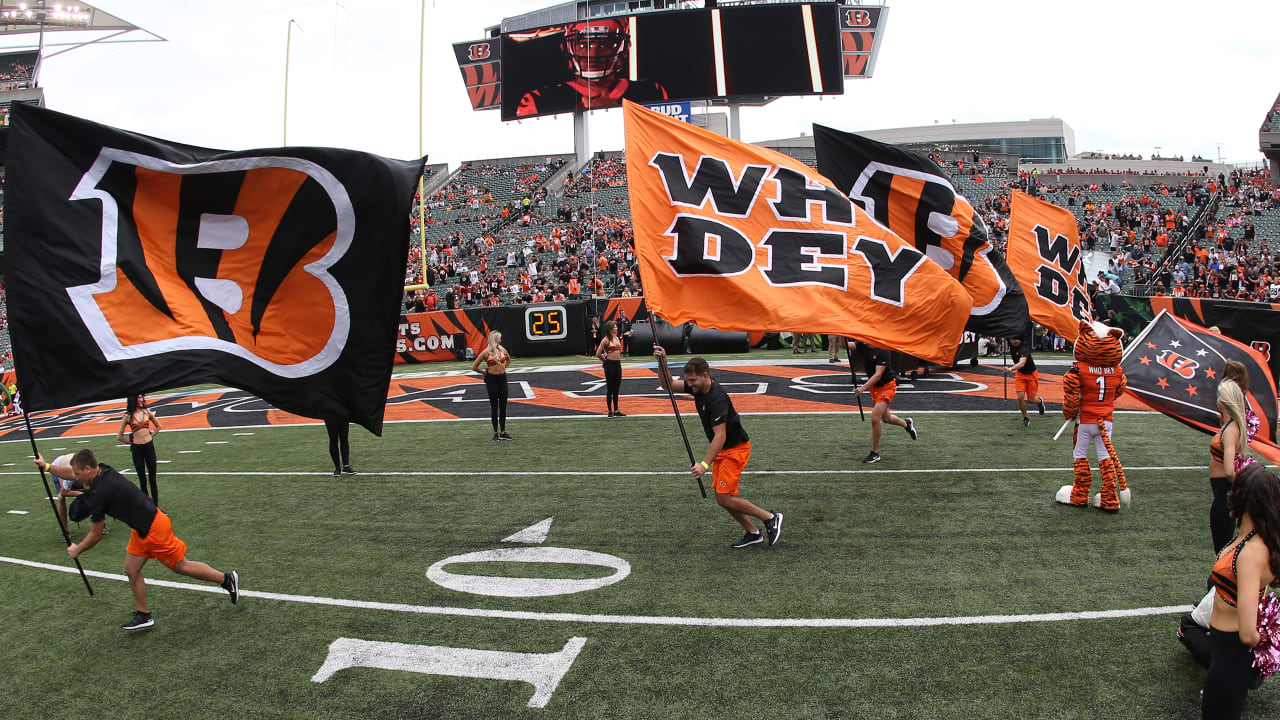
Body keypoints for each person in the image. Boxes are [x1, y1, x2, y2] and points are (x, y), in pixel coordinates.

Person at [34, 449, 239, 631]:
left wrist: (78, 550)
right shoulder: (101, 471)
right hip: (141, 528)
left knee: (181, 566)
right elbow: (70, 472)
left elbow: (95, 534)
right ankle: (144, 615)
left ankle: (226, 579)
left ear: (88, 469)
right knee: (131, 569)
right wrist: (48, 467)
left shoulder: (99, 493)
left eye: (78, 475)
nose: (76, 479)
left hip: (154, 528)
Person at [654, 346, 782, 549]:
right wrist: (662, 362)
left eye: (693, 381)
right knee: (723, 499)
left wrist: (704, 464)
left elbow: (720, 436)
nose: (689, 385)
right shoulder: (698, 387)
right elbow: (668, 384)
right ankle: (753, 532)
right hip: (724, 450)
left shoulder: (717, 398)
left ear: (705, 376)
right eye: (688, 381)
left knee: (723, 497)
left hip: (735, 449)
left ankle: (770, 517)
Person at [1201, 463, 1279, 718]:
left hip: (1232, 656)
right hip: (1224, 651)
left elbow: (1247, 633)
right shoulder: (1250, 535)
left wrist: (1268, 650)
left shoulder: (1251, 553)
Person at [515, 18, 668, 117]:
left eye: (604, 44)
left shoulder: (652, 92)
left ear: (624, 47)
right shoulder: (538, 100)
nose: (593, 54)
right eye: (583, 45)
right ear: (568, 47)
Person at [854, 341, 917, 464]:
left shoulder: (882, 351)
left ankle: (875, 453)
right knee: (886, 418)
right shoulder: (862, 344)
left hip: (887, 386)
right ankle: (906, 424)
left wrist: (862, 388)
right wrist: (840, 334)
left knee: (874, 418)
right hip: (875, 388)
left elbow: (878, 375)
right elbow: (846, 346)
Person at [1209, 380, 1250, 553]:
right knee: (1224, 547)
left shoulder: (1230, 430)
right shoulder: (1229, 425)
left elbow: (1229, 471)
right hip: (1224, 495)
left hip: (1224, 497)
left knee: (1222, 550)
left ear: (1222, 402)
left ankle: (1220, 579)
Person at [116, 394, 161, 503]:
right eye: (139, 397)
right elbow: (119, 436)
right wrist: (131, 443)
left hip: (149, 447)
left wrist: (151, 436)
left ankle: (156, 506)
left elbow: (159, 426)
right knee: (143, 480)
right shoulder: (128, 416)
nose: (142, 399)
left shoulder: (147, 412)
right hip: (137, 450)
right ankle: (147, 507)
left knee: (152, 479)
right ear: (134, 399)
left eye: (142, 397)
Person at [472, 330, 513, 441]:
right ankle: (496, 433)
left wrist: (504, 367)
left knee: (503, 406)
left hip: (502, 378)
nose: (501, 339)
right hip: (492, 380)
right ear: (495, 339)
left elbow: (509, 359)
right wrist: (485, 373)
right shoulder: (486, 352)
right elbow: (474, 366)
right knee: (494, 406)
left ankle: (503, 432)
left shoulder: (503, 349)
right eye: (499, 338)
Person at [1003, 336, 1046, 427]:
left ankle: (1039, 402)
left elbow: (1021, 363)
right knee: (1020, 397)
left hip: (1031, 374)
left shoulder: (1024, 348)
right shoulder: (1011, 341)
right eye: (1012, 339)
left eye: (1016, 339)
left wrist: (1010, 369)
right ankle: (1025, 418)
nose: (1013, 341)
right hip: (1020, 375)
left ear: (1020, 339)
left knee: (1031, 400)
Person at [595, 320, 625, 418]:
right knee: (610, 389)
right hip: (610, 365)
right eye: (615, 327)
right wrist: (605, 361)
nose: (616, 328)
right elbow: (598, 353)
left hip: (618, 364)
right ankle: (609, 411)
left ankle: (616, 410)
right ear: (610, 329)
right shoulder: (606, 339)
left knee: (616, 388)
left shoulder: (616, 338)